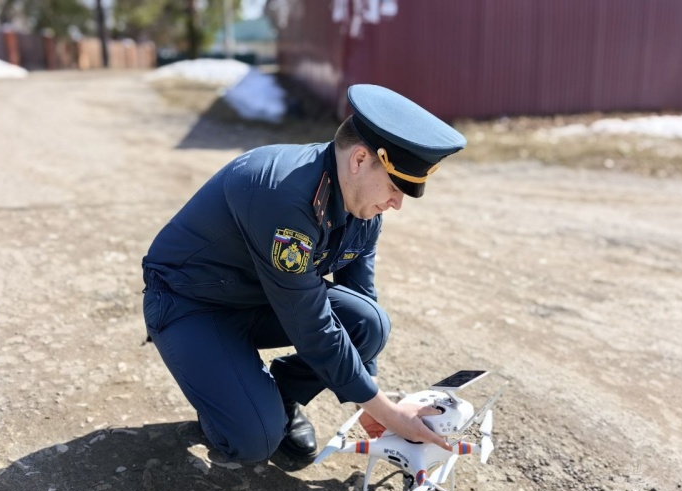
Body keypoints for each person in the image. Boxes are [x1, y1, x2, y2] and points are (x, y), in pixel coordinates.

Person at [142, 84, 466, 464]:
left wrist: (369, 393)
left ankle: (279, 395)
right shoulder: (285, 197)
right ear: (359, 160)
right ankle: (229, 407)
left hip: (263, 298)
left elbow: (360, 293)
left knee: (370, 323)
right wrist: (387, 412)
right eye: (395, 187)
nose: (396, 203)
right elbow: (310, 322)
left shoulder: (363, 206)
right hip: (192, 302)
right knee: (253, 441)